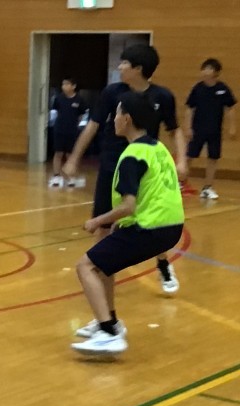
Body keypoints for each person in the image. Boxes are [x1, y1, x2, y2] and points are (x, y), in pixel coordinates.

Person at [63, 45, 187, 321]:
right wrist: (74, 158)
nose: (119, 67)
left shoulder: (162, 96)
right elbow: (93, 125)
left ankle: (162, 263)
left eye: (124, 63)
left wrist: (182, 160)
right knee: (103, 240)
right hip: (113, 168)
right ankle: (106, 316)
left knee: (152, 220)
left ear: (138, 69)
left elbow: (175, 130)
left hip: (145, 168)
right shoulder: (112, 93)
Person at [71, 92, 184, 355]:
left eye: (117, 114)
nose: (113, 120)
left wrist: (97, 221)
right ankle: (110, 321)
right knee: (104, 263)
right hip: (172, 226)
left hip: (150, 229)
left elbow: (128, 205)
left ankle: (109, 334)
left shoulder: (132, 155)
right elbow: (153, 192)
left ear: (127, 119)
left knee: (86, 266)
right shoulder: (158, 148)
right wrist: (123, 223)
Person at [184, 58, 237, 199]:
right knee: (189, 156)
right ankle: (181, 183)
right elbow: (189, 108)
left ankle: (207, 188)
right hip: (197, 129)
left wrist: (232, 127)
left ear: (216, 72)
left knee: (213, 158)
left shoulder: (223, 89)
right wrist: (188, 127)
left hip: (215, 130)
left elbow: (231, 107)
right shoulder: (198, 89)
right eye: (204, 68)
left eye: (209, 69)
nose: (205, 71)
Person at [49, 77, 89, 188]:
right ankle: (56, 176)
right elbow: (55, 112)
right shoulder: (58, 98)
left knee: (70, 154)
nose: (64, 86)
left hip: (72, 131)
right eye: (63, 84)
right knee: (58, 153)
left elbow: (82, 115)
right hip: (59, 130)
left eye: (67, 84)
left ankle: (70, 177)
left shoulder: (79, 100)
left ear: (73, 86)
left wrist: (77, 125)